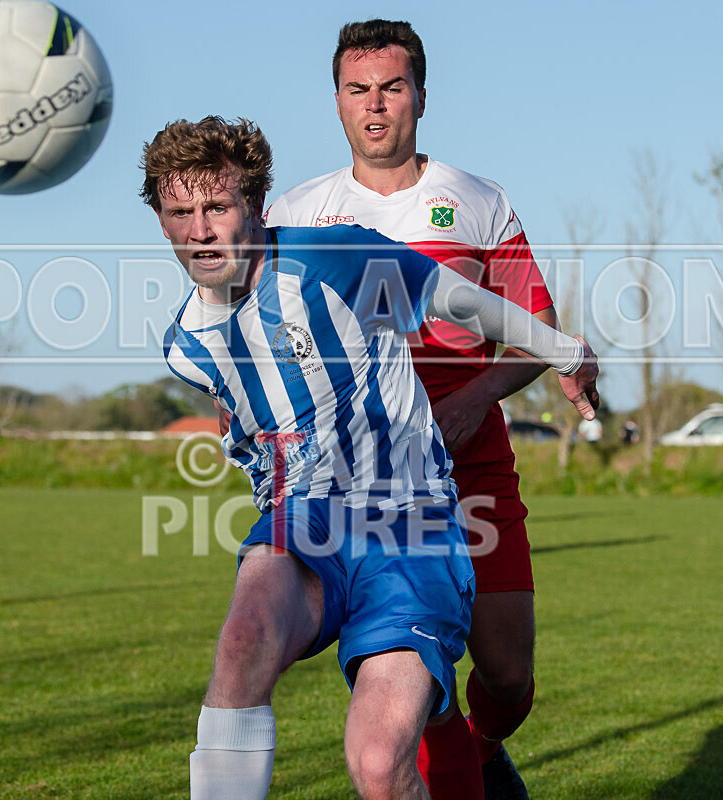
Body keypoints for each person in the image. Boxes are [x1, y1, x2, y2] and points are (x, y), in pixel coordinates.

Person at [141, 115, 598, 800]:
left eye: (217, 207)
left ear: (255, 205)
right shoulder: (187, 346)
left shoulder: (331, 258)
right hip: (305, 526)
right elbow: (250, 430)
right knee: (241, 643)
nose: (200, 230)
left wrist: (562, 350)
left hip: (409, 530)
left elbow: (459, 298)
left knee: (381, 767)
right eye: (180, 212)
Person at [264, 19, 565, 797]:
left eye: (391, 88)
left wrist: (472, 399)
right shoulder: (296, 214)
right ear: (336, 102)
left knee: (506, 672)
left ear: (420, 97)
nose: (375, 106)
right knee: (414, 682)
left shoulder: (476, 200)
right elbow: (261, 337)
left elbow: (538, 337)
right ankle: (453, 755)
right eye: (358, 90)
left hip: (472, 460)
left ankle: (486, 740)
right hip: (370, 486)